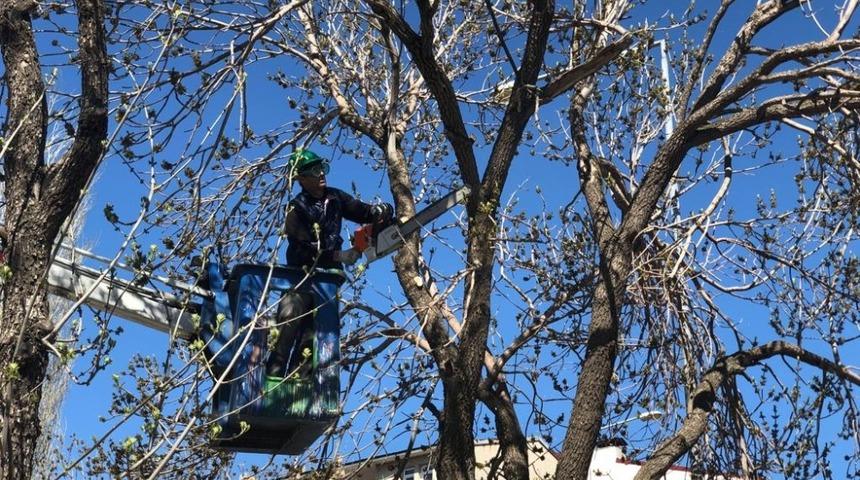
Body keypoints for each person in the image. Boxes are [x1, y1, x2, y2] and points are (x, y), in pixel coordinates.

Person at [266, 149, 393, 378]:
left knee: (314, 332)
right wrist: (338, 256)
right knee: (290, 321)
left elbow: (361, 211)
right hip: (302, 275)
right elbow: (301, 249)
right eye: (314, 171)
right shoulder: (296, 209)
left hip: (328, 278)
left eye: (321, 168)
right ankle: (273, 377)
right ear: (302, 178)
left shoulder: (335, 198)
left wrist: (379, 212)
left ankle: (300, 381)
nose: (321, 174)